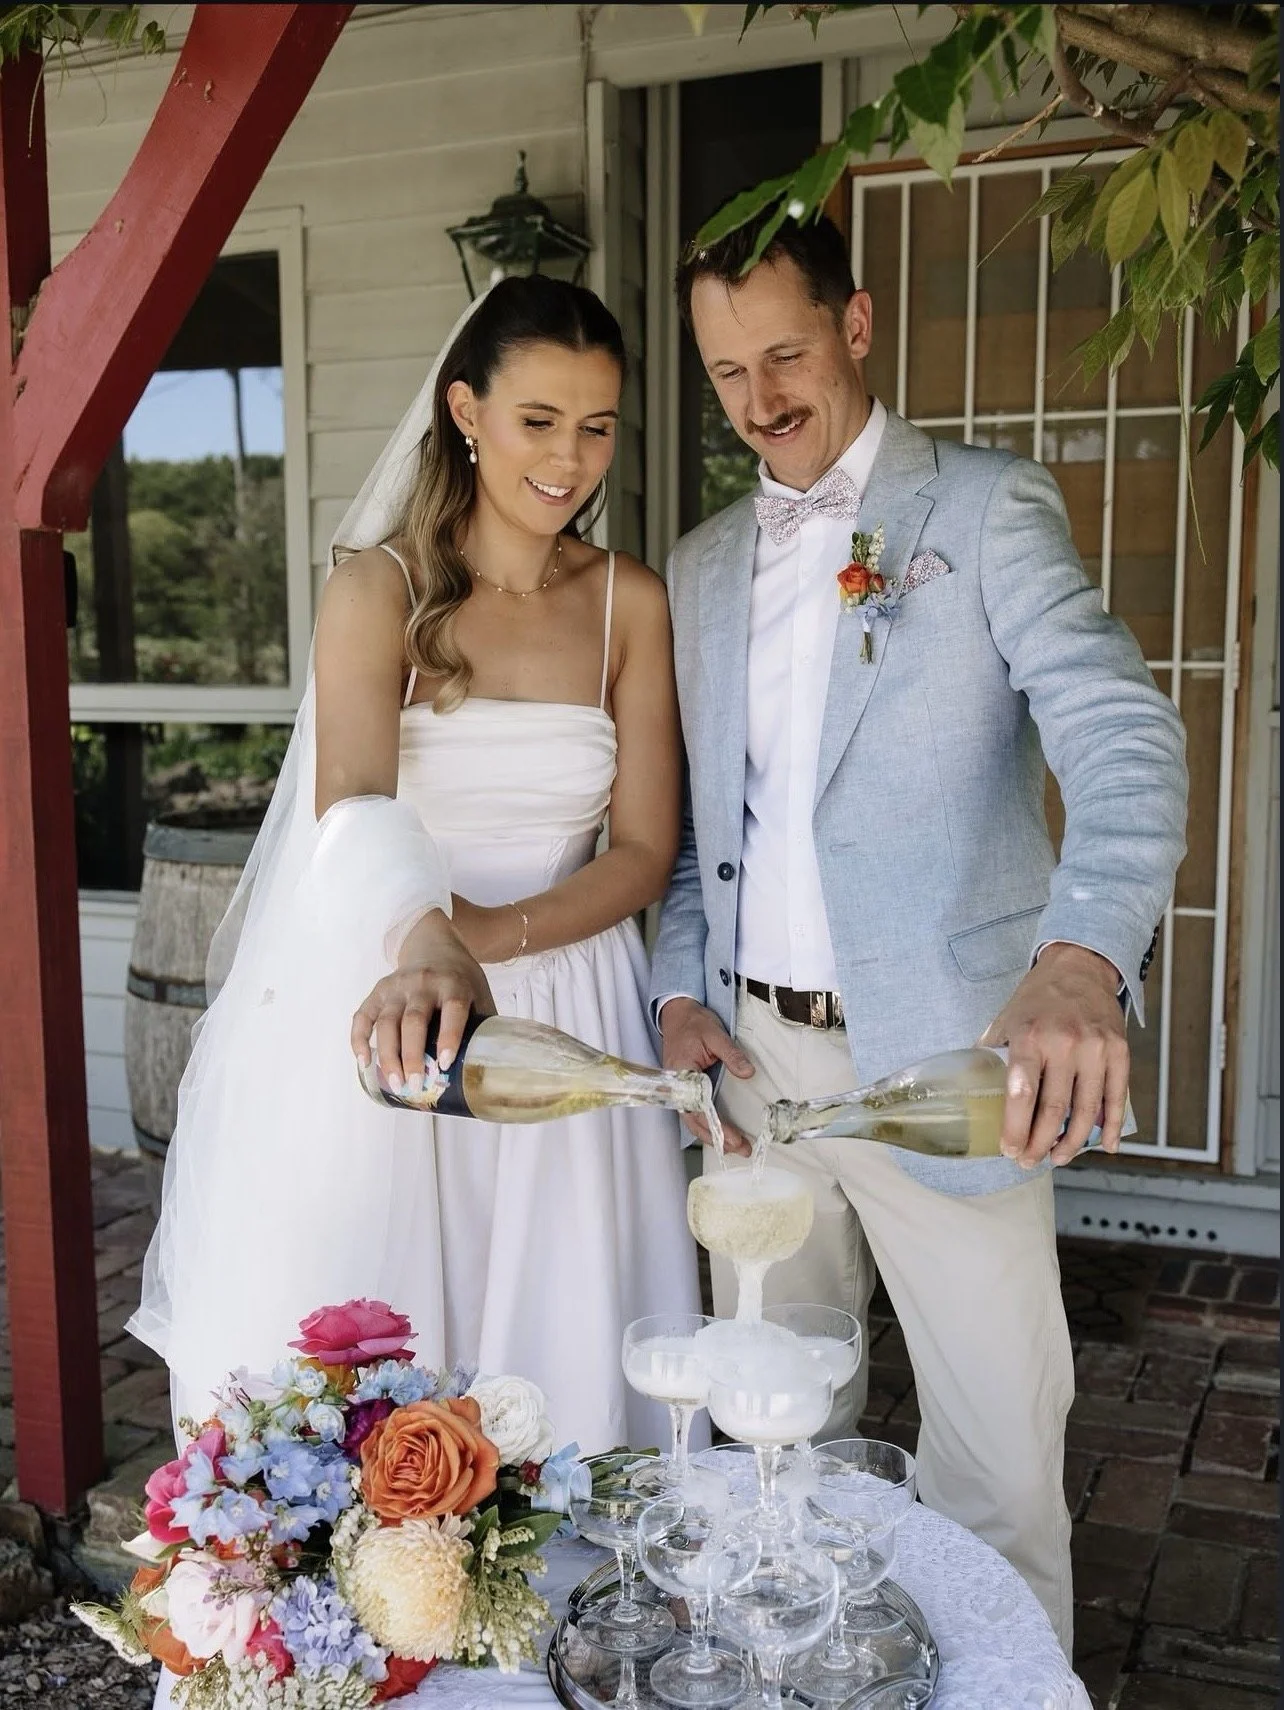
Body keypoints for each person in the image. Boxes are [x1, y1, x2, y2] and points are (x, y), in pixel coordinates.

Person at [651, 207, 1188, 1653]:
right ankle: (808, 1679)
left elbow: (1124, 734)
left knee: (999, 1450)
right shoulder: (699, 569)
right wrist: (673, 998)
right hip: (756, 1070)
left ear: (860, 327)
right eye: (726, 372)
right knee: (780, 1429)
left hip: (947, 1063)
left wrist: (1081, 956)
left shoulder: (988, 509)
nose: (761, 400)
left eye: (786, 352)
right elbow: (710, 843)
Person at [129, 276, 701, 1457]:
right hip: (398, 992)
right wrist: (429, 945)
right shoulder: (376, 587)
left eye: (598, 425)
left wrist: (486, 939)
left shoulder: (627, 604)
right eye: (539, 419)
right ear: (466, 410)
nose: (571, 458)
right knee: (392, 1345)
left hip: (568, 992)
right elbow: (353, 803)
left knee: (566, 1332)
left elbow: (644, 852)